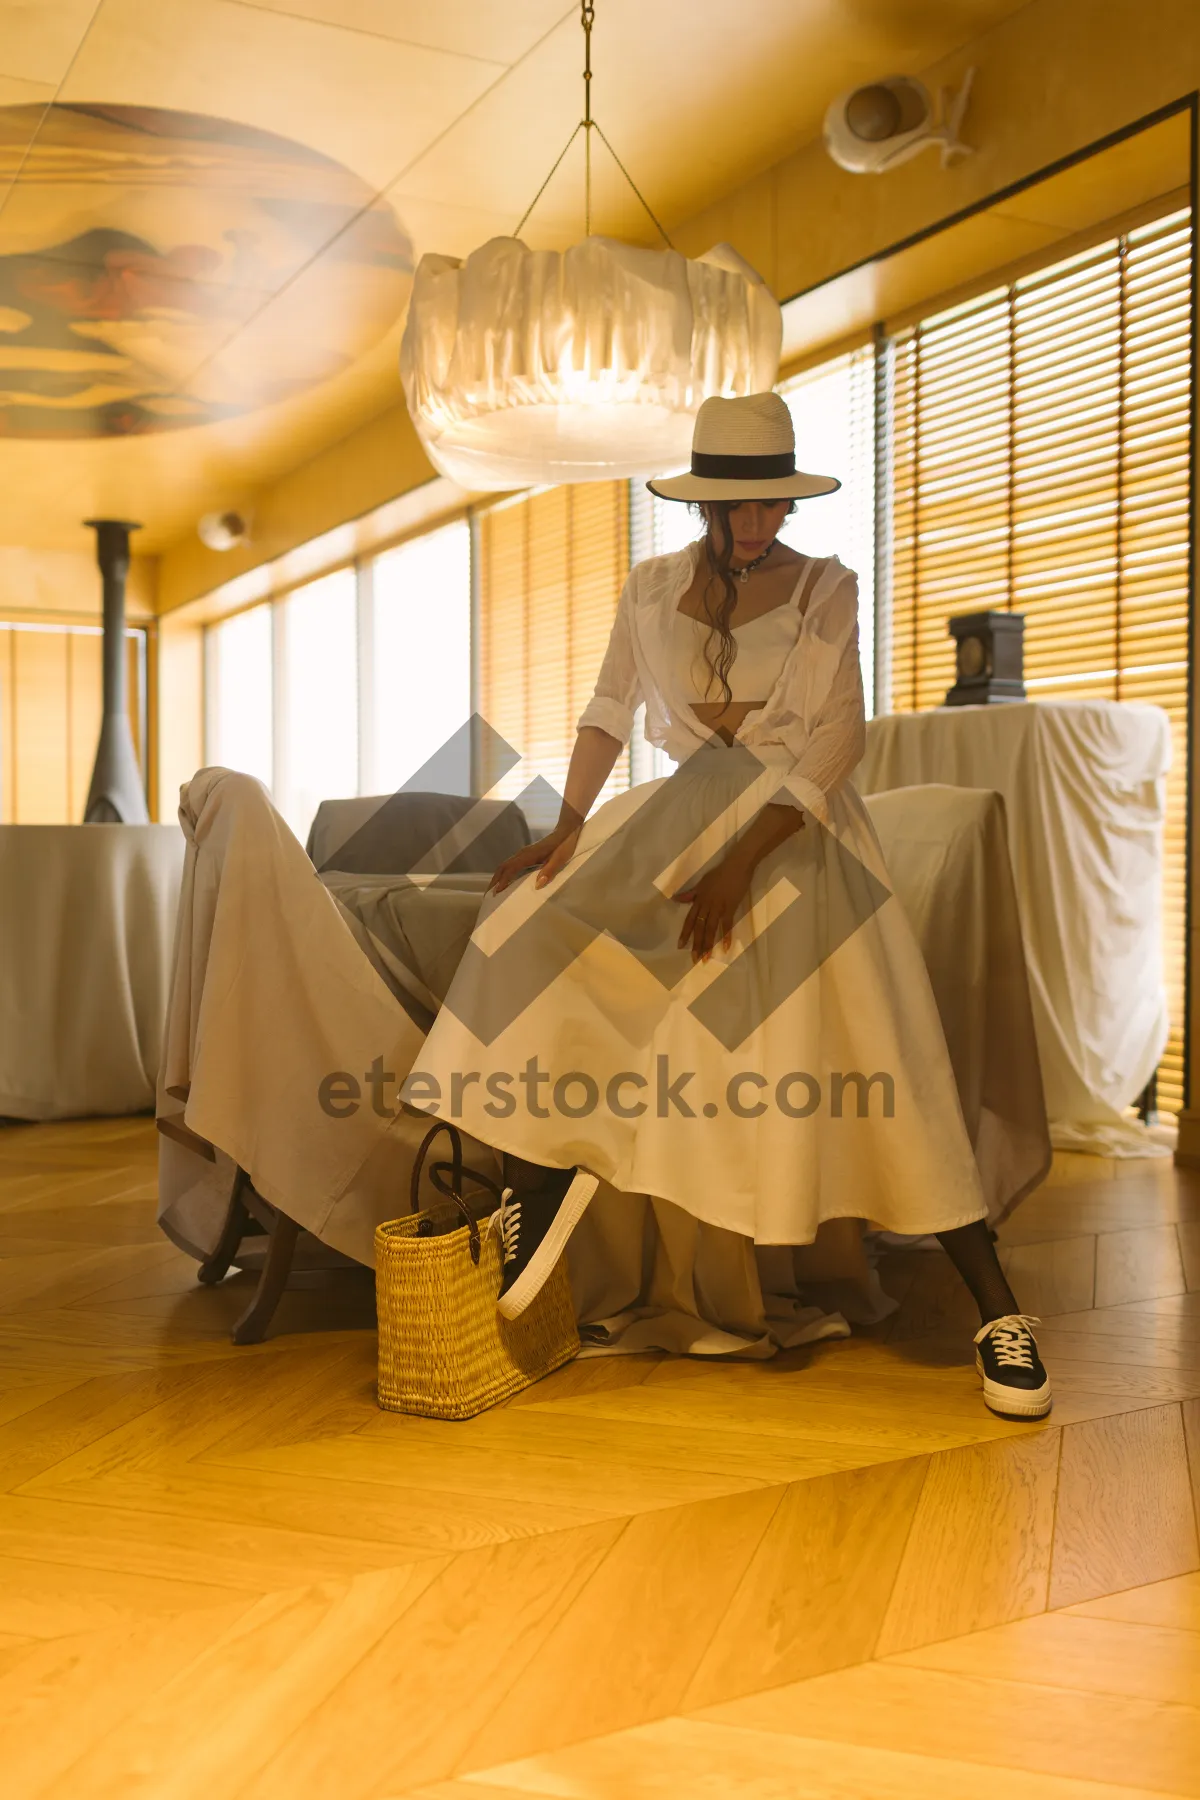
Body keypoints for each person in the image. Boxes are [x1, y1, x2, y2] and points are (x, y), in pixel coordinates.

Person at [409, 391, 1051, 1420]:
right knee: (521, 934)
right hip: (672, 818)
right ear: (704, 503)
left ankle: (998, 1311)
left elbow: (839, 739)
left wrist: (741, 865)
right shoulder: (651, 585)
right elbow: (607, 712)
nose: (760, 526)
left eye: (774, 507)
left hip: (797, 831)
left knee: (884, 1068)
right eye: (739, 509)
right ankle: (536, 1183)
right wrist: (569, 827)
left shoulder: (826, 588)